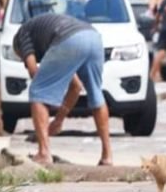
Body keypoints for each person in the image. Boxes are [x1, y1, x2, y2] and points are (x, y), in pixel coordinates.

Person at [13, 12, 113, 167]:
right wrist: (58, 120)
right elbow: (76, 87)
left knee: (37, 92)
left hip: (69, 39)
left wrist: (43, 121)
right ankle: (107, 156)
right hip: (93, 37)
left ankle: (44, 153)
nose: (24, 61)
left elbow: (34, 72)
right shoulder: (46, 37)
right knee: (96, 94)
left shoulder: (21, 36)